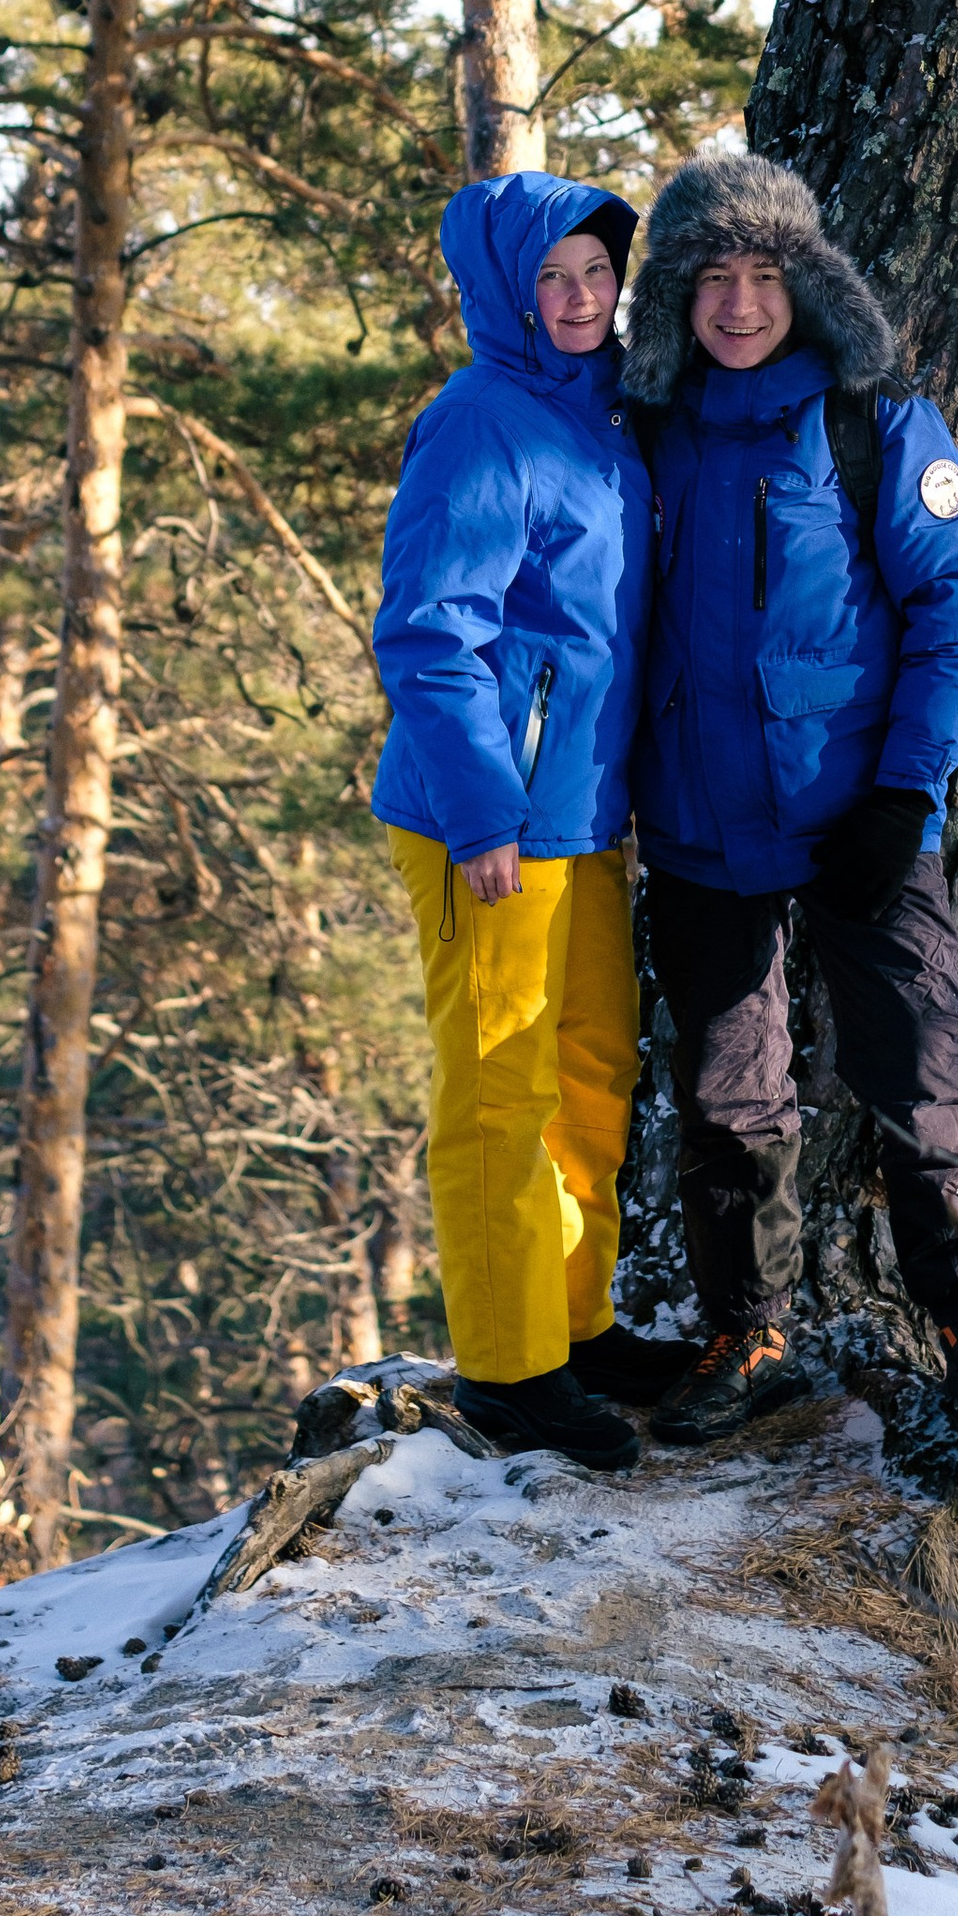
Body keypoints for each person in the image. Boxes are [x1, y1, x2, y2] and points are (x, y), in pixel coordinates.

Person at [623, 147, 958, 1450]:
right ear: (676, 300)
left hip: (860, 821)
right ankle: (748, 1331)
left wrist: (902, 793)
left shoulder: (873, 423)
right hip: (698, 827)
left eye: (765, 276)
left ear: (808, 287)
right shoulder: (647, 428)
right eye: (712, 280)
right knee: (724, 1100)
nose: (739, 305)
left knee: (926, 1082)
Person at [372, 170, 692, 1472]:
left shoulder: (607, 411)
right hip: (489, 819)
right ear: (507, 289)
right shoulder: (478, 424)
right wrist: (482, 812)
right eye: (552, 279)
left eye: (596, 275)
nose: (577, 299)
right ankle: (509, 1371)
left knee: (592, 1072)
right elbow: (429, 631)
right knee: (500, 1090)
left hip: (585, 812)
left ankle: (578, 1323)